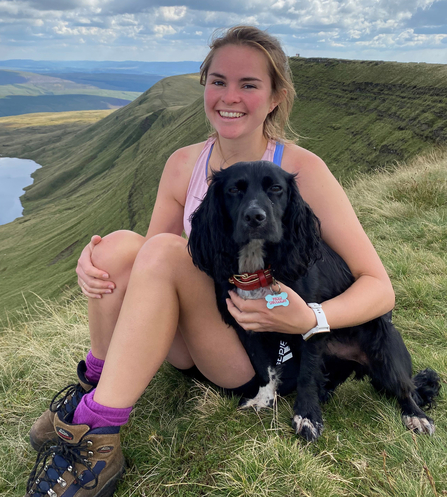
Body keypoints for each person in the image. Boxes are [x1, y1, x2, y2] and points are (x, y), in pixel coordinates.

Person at [25, 25, 395, 497]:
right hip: (194, 336)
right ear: (205, 85)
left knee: (159, 249)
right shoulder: (183, 163)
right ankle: (92, 386)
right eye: (218, 81)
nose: (230, 96)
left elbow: (379, 286)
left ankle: (98, 434)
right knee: (117, 246)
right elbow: (145, 265)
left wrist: (311, 316)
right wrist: (95, 265)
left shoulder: (302, 171)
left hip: (253, 353)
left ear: (276, 96)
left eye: (249, 84)